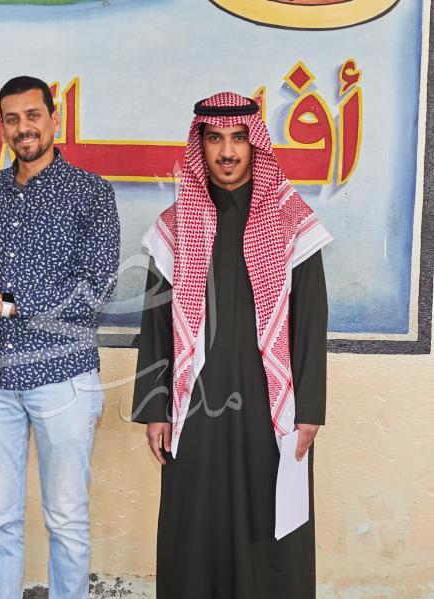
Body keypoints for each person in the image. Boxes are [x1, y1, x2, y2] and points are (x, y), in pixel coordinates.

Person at [132, 92, 332, 598]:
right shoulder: (175, 227)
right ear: (199, 145)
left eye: (239, 138)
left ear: (254, 145)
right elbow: (155, 325)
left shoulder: (291, 222)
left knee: (270, 525)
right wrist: (155, 409)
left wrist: (309, 410)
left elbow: (311, 320)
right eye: (215, 138)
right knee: (195, 522)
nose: (227, 151)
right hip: (195, 407)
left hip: (272, 406)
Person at [0, 75, 120, 599]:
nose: (23, 128)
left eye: (33, 115)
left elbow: (93, 292)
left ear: (55, 118)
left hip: (63, 377)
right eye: (11, 119)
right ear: (3, 128)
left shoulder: (92, 193)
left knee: (67, 518)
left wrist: (7, 302)